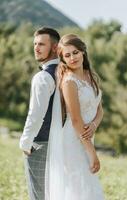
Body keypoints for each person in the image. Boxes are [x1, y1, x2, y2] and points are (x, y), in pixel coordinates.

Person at [45, 34, 104, 200]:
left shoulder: (90, 76)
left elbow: (99, 109)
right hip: (73, 141)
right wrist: (92, 153)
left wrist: (94, 125)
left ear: (83, 52)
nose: (72, 58)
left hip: (87, 136)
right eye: (67, 55)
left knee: (88, 186)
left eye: (75, 52)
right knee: (79, 189)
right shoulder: (69, 82)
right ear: (62, 59)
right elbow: (76, 120)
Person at [19, 27, 60, 200]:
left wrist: (25, 143)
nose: (36, 48)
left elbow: (35, 115)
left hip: (41, 145)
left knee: (39, 196)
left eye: (42, 44)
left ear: (55, 47)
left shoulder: (43, 77)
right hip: (61, 144)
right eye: (35, 44)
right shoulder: (68, 73)